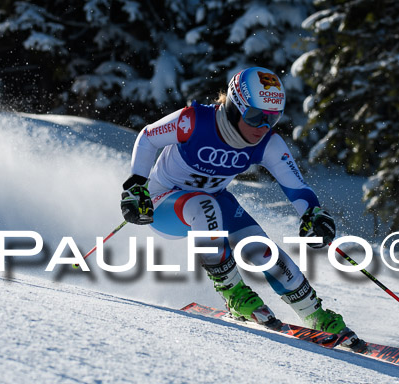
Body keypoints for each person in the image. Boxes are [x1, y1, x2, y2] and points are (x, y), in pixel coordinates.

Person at [120, 66, 365, 350]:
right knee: (204, 204)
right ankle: (233, 294)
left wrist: (313, 213)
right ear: (235, 106)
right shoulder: (195, 121)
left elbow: (295, 186)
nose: (262, 127)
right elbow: (148, 136)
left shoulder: (268, 143)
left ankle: (316, 315)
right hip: (164, 203)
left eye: (272, 119)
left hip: (214, 204)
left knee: (263, 250)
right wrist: (136, 186)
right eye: (255, 116)